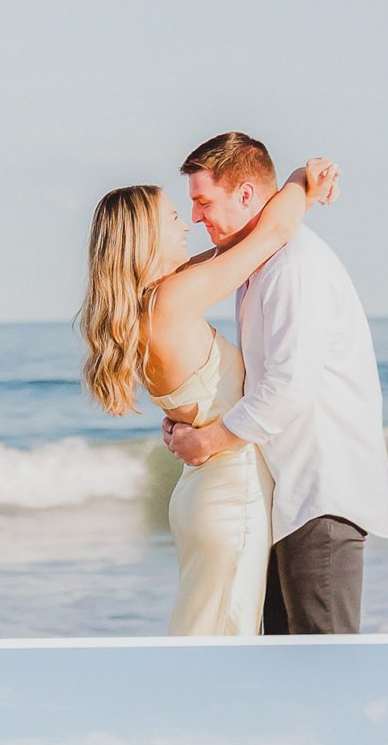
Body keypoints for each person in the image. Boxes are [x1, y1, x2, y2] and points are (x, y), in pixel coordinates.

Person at [79, 159, 340, 635]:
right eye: (173, 218)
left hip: (205, 494)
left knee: (205, 638)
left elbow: (234, 246)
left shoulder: (149, 303)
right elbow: (272, 234)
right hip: (229, 496)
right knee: (222, 648)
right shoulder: (172, 300)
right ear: (147, 238)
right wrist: (302, 180)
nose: (188, 225)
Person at [164, 132, 388, 636]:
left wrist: (206, 441)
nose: (199, 217)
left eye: (204, 202)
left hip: (319, 492)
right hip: (284, 492)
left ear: (246, 195)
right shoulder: (258, 263)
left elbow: (289, 387)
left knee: (322, 665)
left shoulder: (294, 267)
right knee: (288, 667)